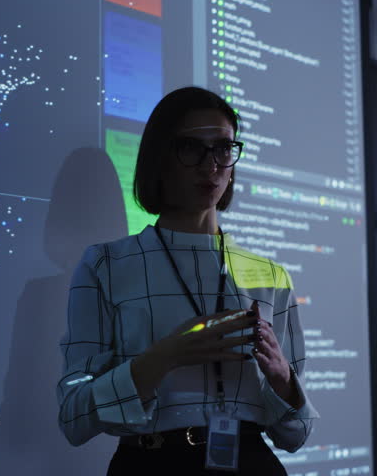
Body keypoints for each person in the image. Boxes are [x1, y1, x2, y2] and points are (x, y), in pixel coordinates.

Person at [56, 87, 318, 475]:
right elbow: (74, 416)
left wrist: (283, 379)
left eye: (223, 149)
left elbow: (296, 434)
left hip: (251, 462)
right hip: (152, 463)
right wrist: (166, 356)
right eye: (191, 148)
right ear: (160, 158)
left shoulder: (270, 275)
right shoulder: (106, 264)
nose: (211, 165)